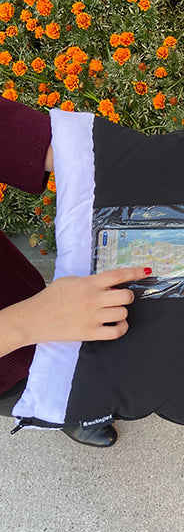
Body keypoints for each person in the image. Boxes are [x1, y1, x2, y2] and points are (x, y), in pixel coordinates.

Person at [0, 97, 149, 446]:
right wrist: (28, 322)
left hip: (11, 283)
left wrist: (64, 150)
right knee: (41, 385)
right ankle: (76, 416)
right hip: (7, 357)